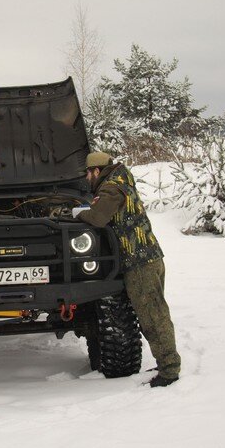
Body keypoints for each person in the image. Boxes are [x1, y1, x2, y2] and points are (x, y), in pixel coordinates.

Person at [77, 152, 181, 388]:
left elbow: (97, 217)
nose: (86, 177)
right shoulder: (123, 182)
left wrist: (78, 214)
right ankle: (165, 363)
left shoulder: (112, 188)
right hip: (148, 258)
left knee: (153, 317)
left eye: (88, 173)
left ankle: (169, 370)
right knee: (153, 313)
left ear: (96, 171)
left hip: (140, 262)